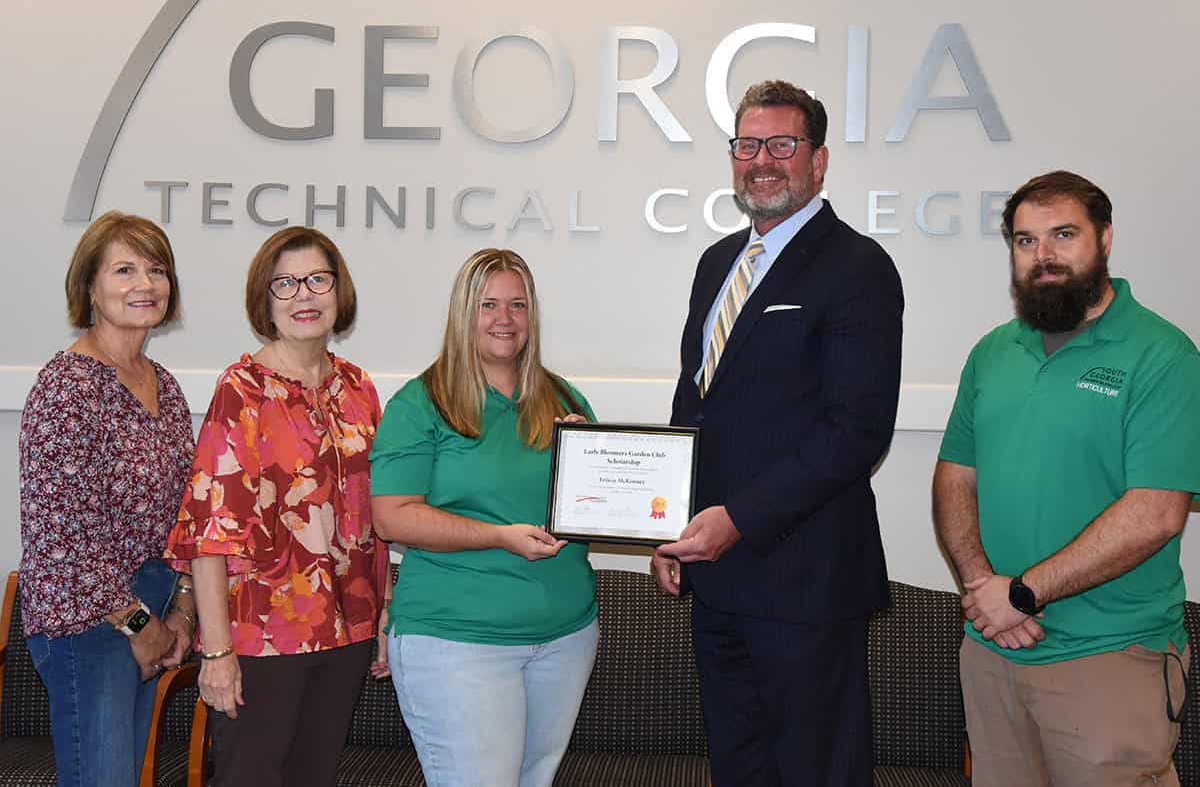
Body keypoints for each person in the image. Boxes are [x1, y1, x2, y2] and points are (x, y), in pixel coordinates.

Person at [653, 80, 904, 786]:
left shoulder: (857, 267)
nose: (761, 160)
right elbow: (695, 401)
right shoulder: (716, 264)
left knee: (817, 772)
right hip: (720, 581)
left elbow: (857, 431)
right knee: (739, 768)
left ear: (818, 161)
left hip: (807, 586)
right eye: (747, 145)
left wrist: (736, 519)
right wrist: (667, 521)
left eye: (781, 145)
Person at [933, 171, 1197, 787]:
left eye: (1064, 234)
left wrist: (1023, 592)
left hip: (1109, 659)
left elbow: (1157, 511)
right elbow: (954, 476)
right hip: (994, 652)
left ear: (1105, 238)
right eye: (1025, 241)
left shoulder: (1163, 356)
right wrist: (981, 586)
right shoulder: (994, 352)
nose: (1043, 255)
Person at [165, 227, 389, 787]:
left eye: (317, 280)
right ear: (264, 300)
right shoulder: (242, 390)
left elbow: (376, 516)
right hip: (263, 638)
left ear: (339, 292)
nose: (303, 296)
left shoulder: (358, 388)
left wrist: (384, 612)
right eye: (284, 284)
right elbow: (208, 532)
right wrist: (216, 652)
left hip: (348, 633)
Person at [370, 248, 598, 787]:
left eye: (517, 305)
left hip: (564, 637)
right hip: (457, 641)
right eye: (488, 305)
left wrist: (582, 454)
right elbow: (393, 519)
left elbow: (596, 505)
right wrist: (499, 536)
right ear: (462, 313)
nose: (504, 319)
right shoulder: (421, 403)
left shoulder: (563, 399)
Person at [19, 211, 197, 787]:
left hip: (153, 605)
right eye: (124, 269)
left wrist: (182, 611)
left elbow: (189, 511)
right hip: (90, 624)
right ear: (89, 287)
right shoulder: (66, 386)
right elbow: (63, 532)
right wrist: (142, 625)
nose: (145, 284)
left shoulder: (163, 384)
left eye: (157, 269)